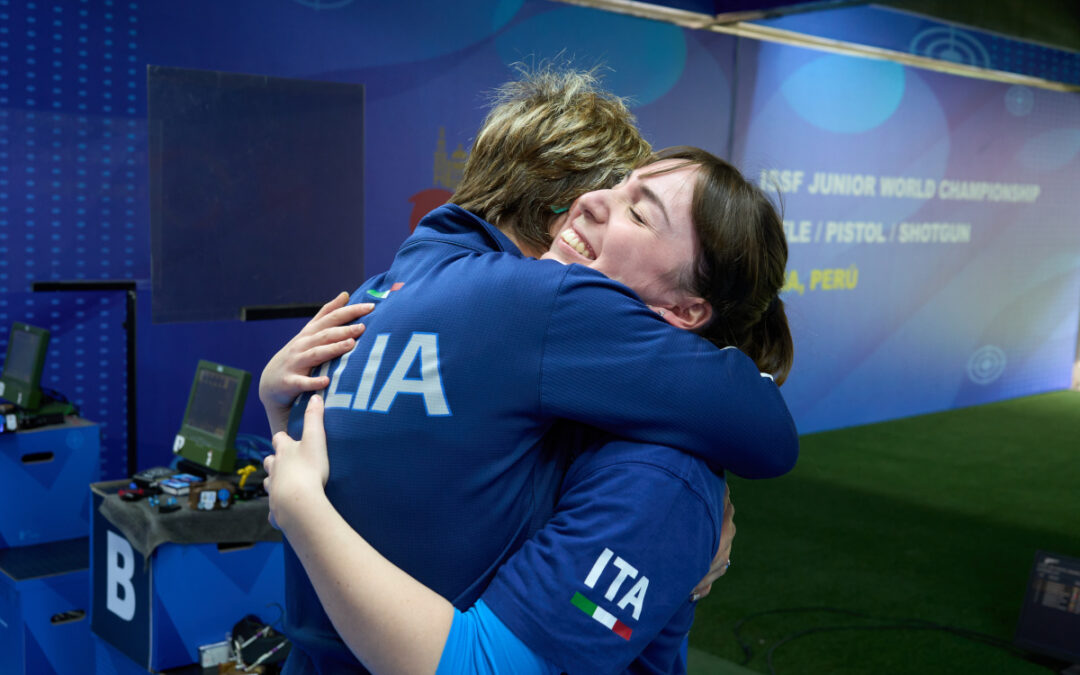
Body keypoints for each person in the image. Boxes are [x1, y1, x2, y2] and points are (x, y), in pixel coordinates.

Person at [259, 70, 797, 674]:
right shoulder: (540, 305)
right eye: (610, 188)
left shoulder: (382, 291)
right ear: (554, 207)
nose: (593, 205)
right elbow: (769, 433)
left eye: (637, 213)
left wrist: (277, 415)